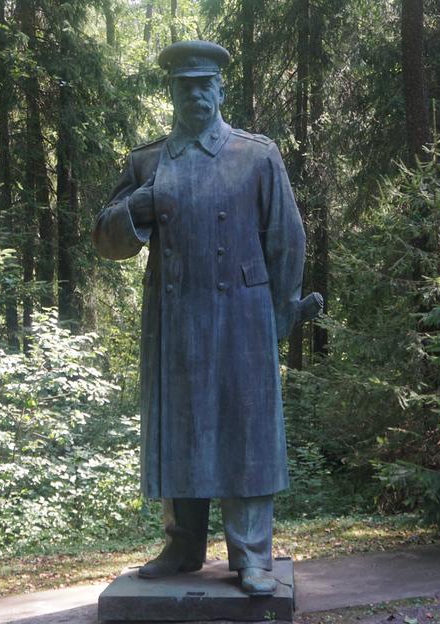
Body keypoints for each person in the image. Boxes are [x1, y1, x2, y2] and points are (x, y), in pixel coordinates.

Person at [91, 40, 319, 597]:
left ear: (220, 88)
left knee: (245, 431)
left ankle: (251, 555)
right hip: (175, 320)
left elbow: (287, 239)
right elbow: (105, 239)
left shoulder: (256, 154)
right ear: (171, 93)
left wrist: (282, 312)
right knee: (181, 429)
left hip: (243, 317)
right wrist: (136, 208)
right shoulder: (147, 162)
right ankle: (182, 543)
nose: (195, 93)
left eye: (204, 84)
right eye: (184, 85)